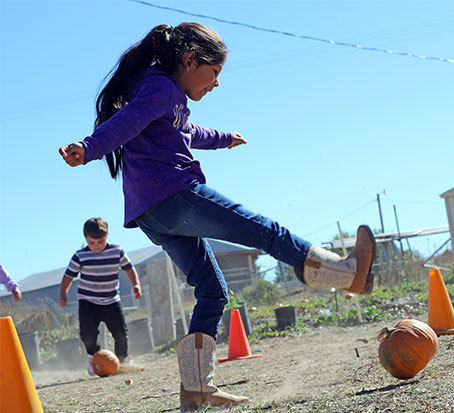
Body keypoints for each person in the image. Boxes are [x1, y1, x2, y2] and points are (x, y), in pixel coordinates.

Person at [58, 23, 376, 409]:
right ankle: (346, 274)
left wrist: (225, 138)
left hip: (152, 215)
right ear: (191, 60)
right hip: (175, 197)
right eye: (215, 73)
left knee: (212, 291)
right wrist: (89, 147)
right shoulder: (159, 88)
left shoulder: (164, 94)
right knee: (266, 232)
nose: (217, 84)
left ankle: (196, 388)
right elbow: (126, 124)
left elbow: (189, 132)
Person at [59, 218, 141, 374]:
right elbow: (68, 276)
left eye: (100, 241)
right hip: (88, 301)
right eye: (92, 242)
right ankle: (94, 358)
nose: (96, 246)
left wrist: (135, 284)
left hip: (111, 300)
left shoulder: (117, 251)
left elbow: (129, 269)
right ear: (86, 239)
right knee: (87, 334)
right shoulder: (80, 256)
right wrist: (63, 294)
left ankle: (123, 359)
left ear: (107, 236)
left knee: (121, 333)